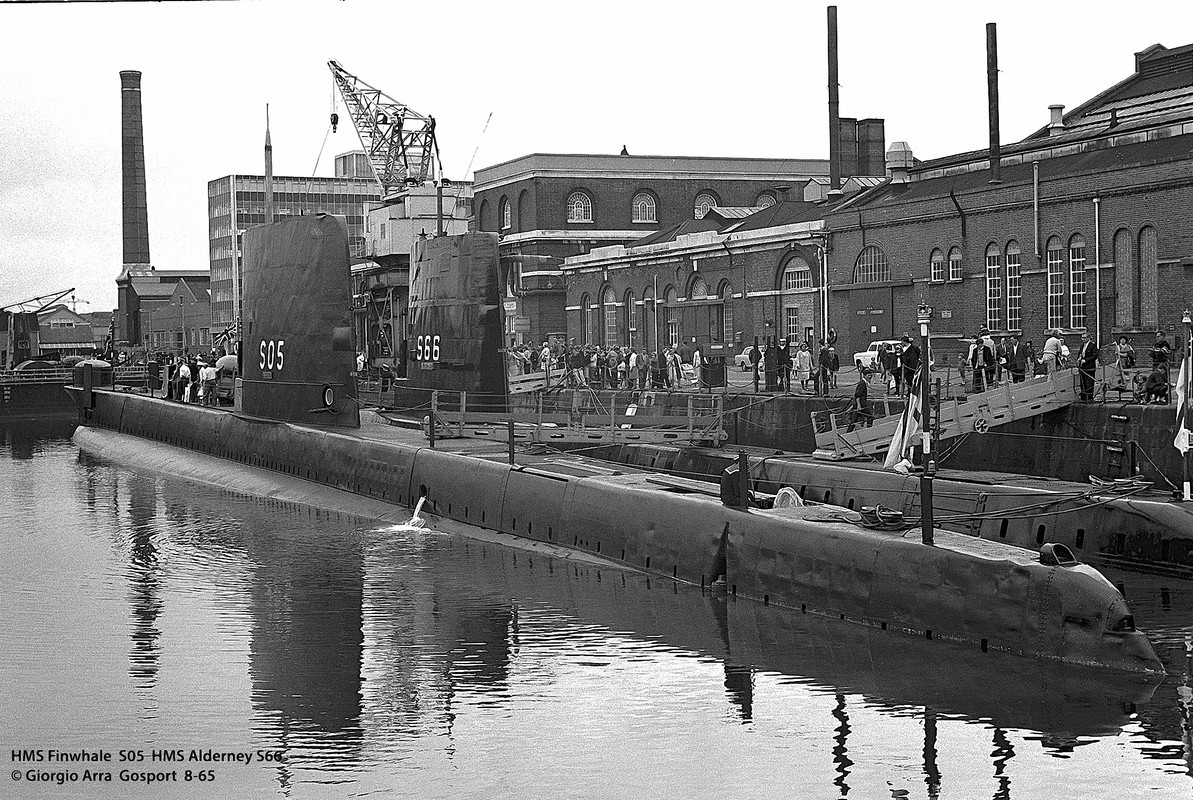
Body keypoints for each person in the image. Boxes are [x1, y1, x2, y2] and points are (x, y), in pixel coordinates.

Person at [1077, 332, 1100, 402]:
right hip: (1082, 367)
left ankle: (1089, 397)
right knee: (1082, 381)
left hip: (1089, 366)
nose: (1083, 339)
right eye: (1082, 338)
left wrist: (1086, 360)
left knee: (1089, 381)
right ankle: (1083, 396)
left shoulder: (1092, 345)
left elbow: (1095, 355)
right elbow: (1080, 353)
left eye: (1084, 338)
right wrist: (1079, 359)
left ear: (1088, 338)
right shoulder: (1082, 346)